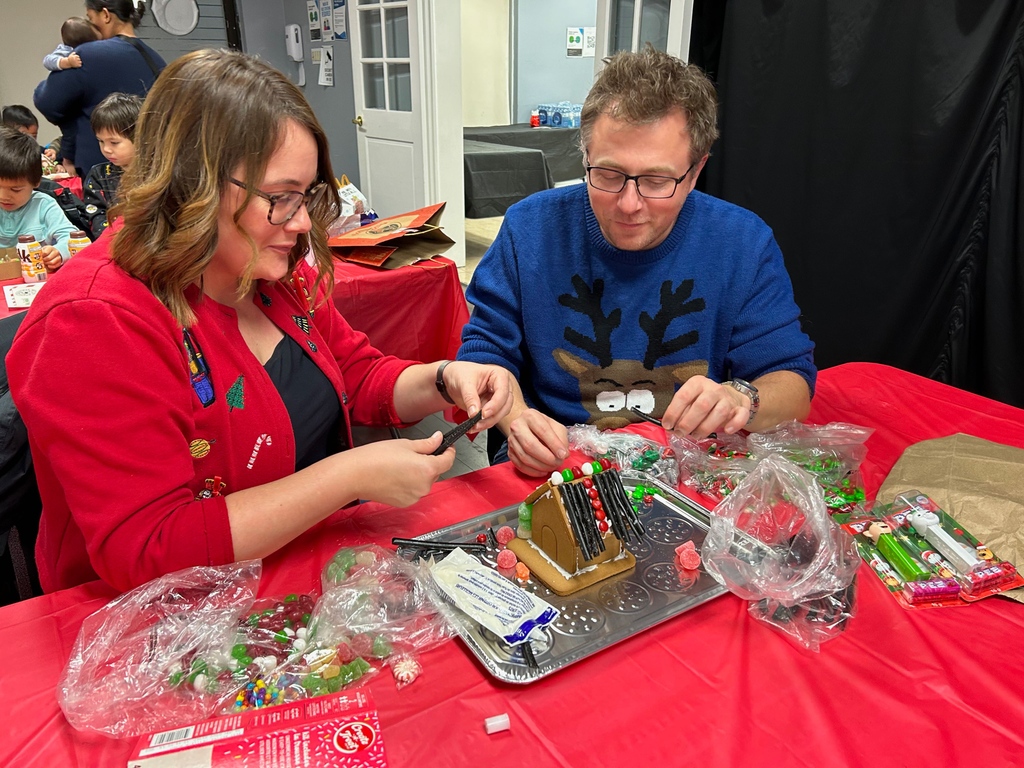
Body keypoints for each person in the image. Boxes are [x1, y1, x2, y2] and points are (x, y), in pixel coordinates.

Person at [8, 49, 513, 595]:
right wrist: (349, 476)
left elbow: (358, 374)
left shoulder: (262, 268)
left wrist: (444, 377)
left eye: (307, 196)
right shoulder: (92, 320)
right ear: (191, 185)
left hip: (303, 578)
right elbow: (147, 546)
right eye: (279, 198)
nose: (299, 223)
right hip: (163, 628)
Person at [457, 47, 816, 476]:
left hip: (688, 469)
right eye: (608, 174)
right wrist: (517, 420)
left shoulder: (742, 241)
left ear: (696, 171)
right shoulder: (529, 228)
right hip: (552, 467)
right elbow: (483, 357)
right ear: (585, 155)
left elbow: (792, 384)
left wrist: (742, 399)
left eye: (657, 180)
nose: (629, 205)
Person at [34, 0, 164, 177]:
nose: (88, 25)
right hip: (148, 169)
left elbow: (47, 101)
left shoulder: (88, 54)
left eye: (90, 18)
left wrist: (71, 134)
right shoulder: (156, 60)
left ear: (105, 15)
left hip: (98, 172)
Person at [0, 126, 75, 272]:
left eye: (15, 189)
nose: (3, 196)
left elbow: (71, 237)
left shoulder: (44, 205)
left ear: (36, 182)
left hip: (35, 279)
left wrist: (59, 252)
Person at [41, 16, 101, 172]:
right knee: (70, 133)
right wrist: (66, 62)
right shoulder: (66, 52)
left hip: (78, 111)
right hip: (69, 110)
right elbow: (48, 60)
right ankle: (68, 161)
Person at [82, 92, 140, 238]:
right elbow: (96, 214)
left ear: (140, 137)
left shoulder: (157, 172)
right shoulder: (99, 175)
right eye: (101, 141)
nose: (106, 149)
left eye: (114, 143)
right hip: (111, 243)